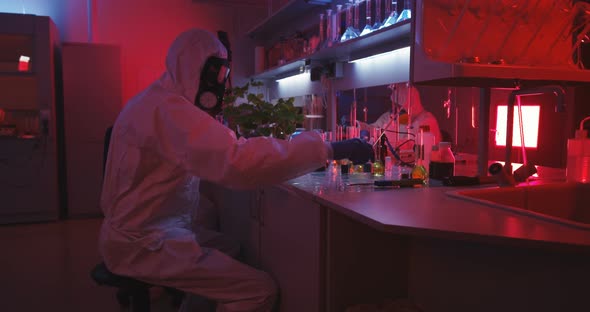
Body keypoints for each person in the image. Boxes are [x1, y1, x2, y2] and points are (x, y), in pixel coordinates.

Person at [98, 28, 373, 312]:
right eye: (218, 79)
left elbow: (215, 147)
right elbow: (237, 161)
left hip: (142, 232)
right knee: (259, 290)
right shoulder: (168, 110)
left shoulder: (159, 100)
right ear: (199, 72)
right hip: (143, 244)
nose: (220, 88)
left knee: (229, 248)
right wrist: (329, 149)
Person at [360, 83, 442, 163]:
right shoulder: (390, 116)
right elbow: (374, 128)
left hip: (415, 168)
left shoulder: (427, 121)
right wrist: (360, 126)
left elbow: (411, 148)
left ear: (408, 106)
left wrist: (388, 146)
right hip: (391, 165)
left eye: (399, 107)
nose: (395, 110)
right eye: (394, 105)